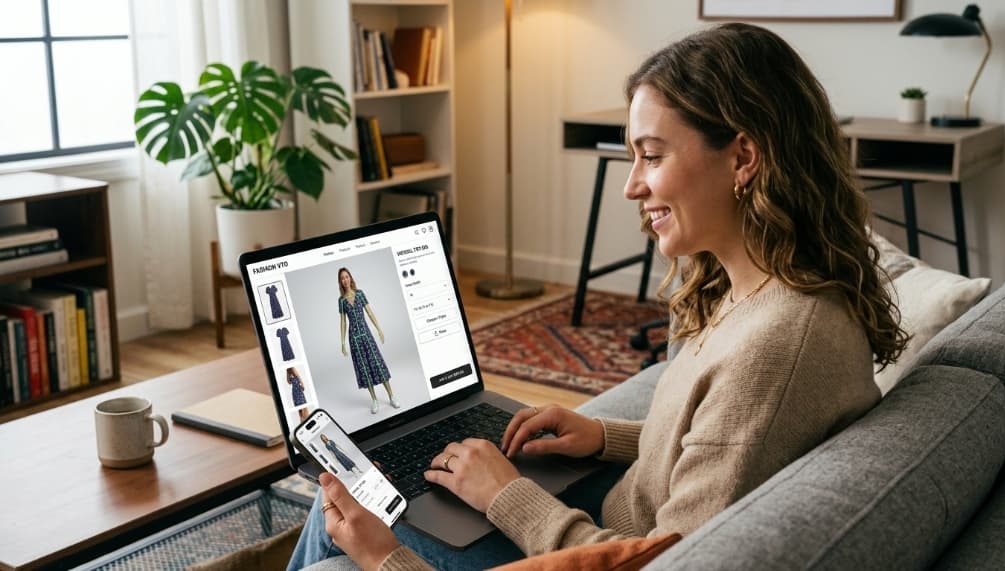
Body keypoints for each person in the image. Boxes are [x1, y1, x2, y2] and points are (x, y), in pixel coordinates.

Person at [288, 22, 908, 571]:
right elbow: (725, 446)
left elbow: (671, 556)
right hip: (601, 520)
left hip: (592, 544)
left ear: (743, 156)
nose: (632, 187)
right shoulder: (758, 288)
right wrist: (603, 436)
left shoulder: (774, 347)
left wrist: (493, 501)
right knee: (360, 487)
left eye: (652, 156)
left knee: (344, 500)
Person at [338, 267, 400, 414]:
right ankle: (374, 400)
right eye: (342, 278)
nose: (345, 280)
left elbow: (370, 312)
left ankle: (392, 396)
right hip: (354, 339)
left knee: (377, 363)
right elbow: (343, 322)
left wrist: (379, 329)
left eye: (347, 277)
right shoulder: (341, 301)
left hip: (366, 335)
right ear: (340, 282)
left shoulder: (360, 294)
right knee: (364, 368)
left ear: (350, 278)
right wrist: (342, 342)